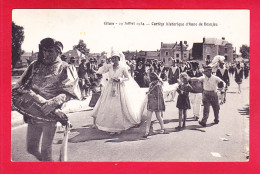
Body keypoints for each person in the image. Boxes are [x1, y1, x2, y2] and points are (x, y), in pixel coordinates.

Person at [13, 38, 81, 161]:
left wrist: (54, 102)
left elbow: (69, 91)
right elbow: (21, 85)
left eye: (50, 51)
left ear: (58, 52)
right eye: (44, 51)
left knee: (45, 151)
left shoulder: (65, 68)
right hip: (33, 110)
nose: (46, 54)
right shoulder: (35, 65)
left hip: (50, 113)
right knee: (31, 149)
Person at [91, 52, 146, 134]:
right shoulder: (109, 67)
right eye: (113, 58)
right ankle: (110, 125)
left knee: (119, 105)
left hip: (119, 87)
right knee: (109, 105)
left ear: (119, 59)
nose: (114, 60)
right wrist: (105, 62)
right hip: (110, 87)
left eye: (116, 58)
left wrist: (120, 79)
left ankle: (118, 125)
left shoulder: (122, 68)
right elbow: (100, 71)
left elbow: (128, 78)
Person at [143, 66, 165, 138]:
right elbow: (150, 91)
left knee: (158, 116)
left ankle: (162, 128)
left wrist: (150, 93)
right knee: (149, 117)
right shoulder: (151, 84)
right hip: (151, 102)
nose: (148, 77)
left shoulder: (158, 85)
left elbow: (159, 96)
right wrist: (148, 93)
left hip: (155, 103)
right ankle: (147, 132)